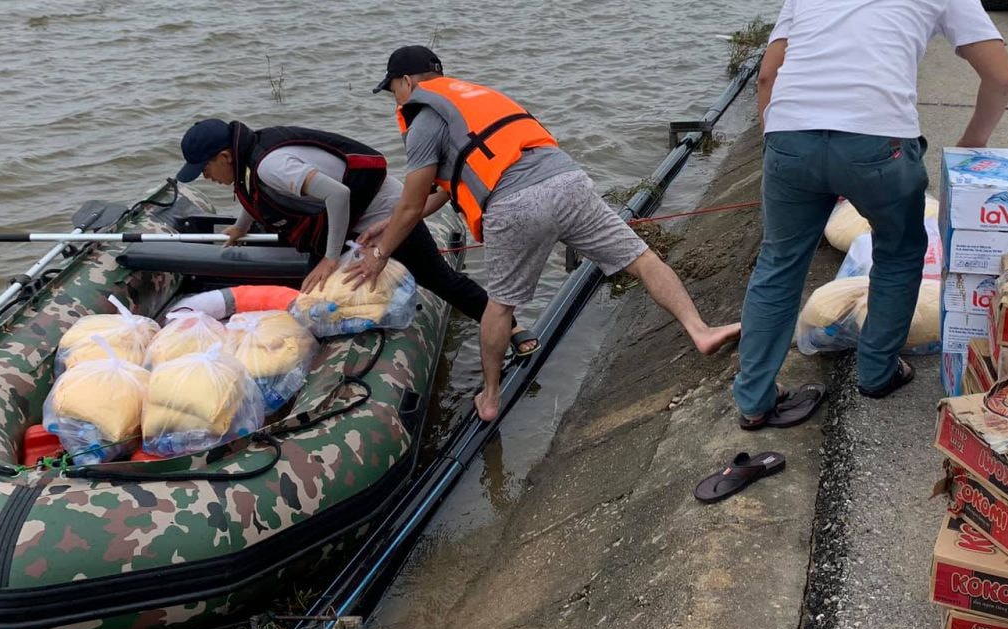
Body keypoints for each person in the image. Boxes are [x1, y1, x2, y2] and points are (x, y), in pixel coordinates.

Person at [730, 0, 1008, 429]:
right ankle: (876, 372)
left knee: (778, 264)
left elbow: (769, 72)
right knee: (901, 248)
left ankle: (754, 401)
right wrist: (972, 148)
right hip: (880, 144)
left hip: (792, 135)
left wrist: (777, 138)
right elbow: (1000, 76)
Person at [348, 46, 741, 421]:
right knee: (642, 258)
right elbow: (449, 185)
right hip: (567, 181)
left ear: (404, 82)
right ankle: (701, 331)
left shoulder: (421, 119)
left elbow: (414, 202)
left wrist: (380, 253)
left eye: (392, 90)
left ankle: (490, 396)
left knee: (499, 306)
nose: (394, 100)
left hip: (514, 205)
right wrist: (392, 222)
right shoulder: (474, 98)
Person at [174, 118, 536, 354]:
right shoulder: (253, 157)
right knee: (313, 297)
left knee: (440, 279)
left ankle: (514, 326)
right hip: (348, 221)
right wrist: (240, 227)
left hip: (385, 213)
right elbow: (253, 194)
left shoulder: (271, 164)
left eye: (204, 169)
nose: (205, 176)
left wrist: (332, 258)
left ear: (224, 156)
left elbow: (338, 195)